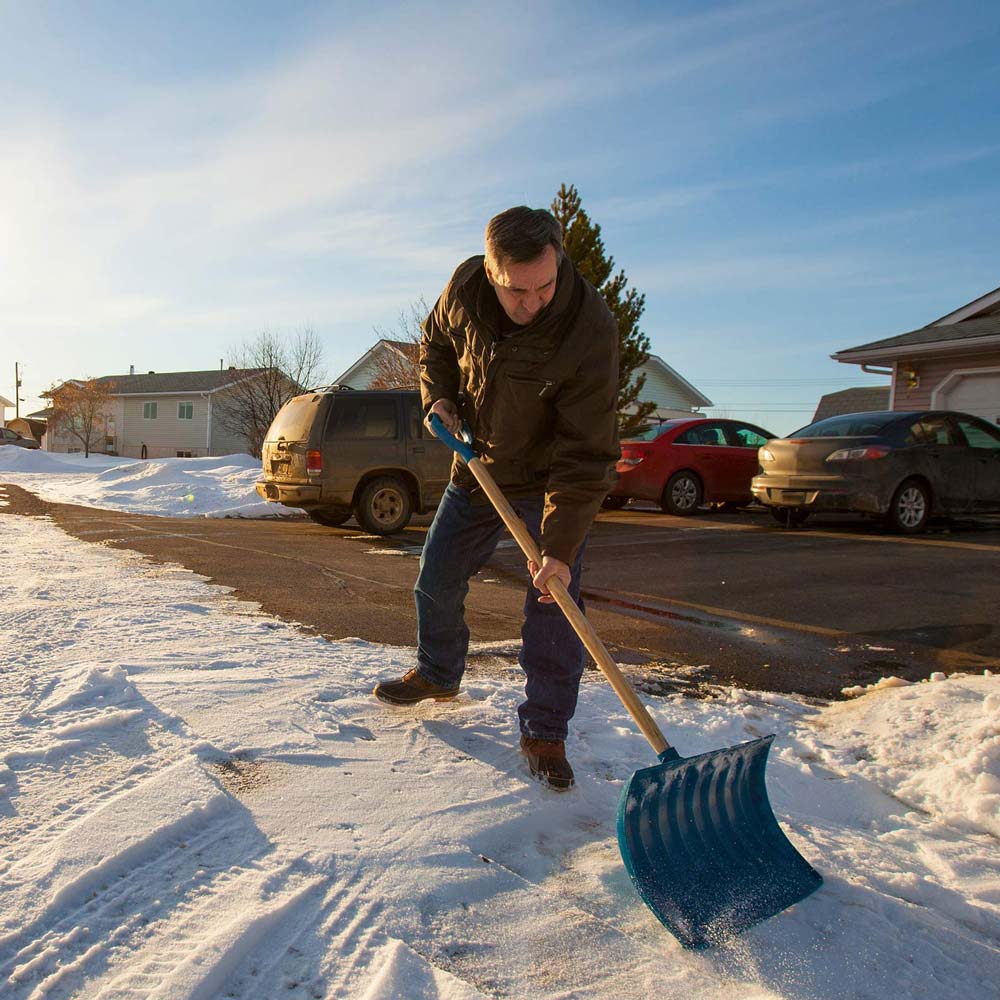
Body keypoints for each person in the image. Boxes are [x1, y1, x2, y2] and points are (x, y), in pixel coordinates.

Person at [373, 205, 620, 790]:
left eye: (546, 285)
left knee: (553, 602)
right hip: (478, 466)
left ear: (558, 261)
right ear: (489, 270)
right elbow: (433, 344)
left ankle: (545, 730)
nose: (534, 303)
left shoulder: (589, 327)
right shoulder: (463, 286)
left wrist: (557, 547)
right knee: (435, 578)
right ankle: (438, 674)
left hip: (547, 481)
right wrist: (439, 398)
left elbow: (586, 453)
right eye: (517, 291)